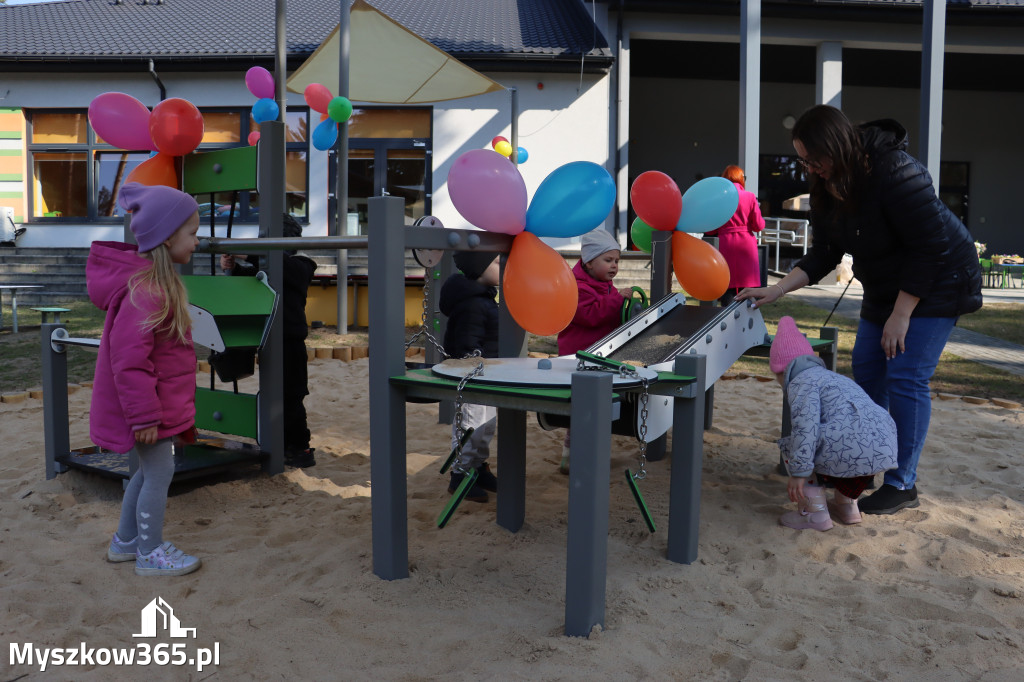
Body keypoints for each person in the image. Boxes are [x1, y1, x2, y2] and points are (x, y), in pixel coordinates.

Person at [736, 105, 982, 515]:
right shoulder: (826, 183)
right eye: (803, 160)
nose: (811, 168)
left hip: (940, 282)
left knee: (905, 374)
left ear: (837, 147)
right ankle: (861, 464)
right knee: (867, 370)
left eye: (815, 159)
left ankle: (902, 483)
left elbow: (931, 247)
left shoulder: (897, 172)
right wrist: (776, 290)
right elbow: (825, 252)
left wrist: (901, 315)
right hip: (885, 285)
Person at [90, 182, 202, 576]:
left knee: (147, 472)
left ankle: (125, 542)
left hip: (157, 406)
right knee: (159, 473)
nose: (198, 241)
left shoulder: (157, 287)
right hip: (149, 411)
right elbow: (129, 362)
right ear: (167, 236)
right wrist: (144, 418)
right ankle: (149, 552)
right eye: (192, 233)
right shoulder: (147, 293)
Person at [770, 316, 898, 530]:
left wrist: (799, 473)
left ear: (781, 371)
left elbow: (805, 429)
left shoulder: (801, 384)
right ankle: (847, 506)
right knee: (846, 439)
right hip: (882, 447)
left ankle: (815, 514)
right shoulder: (834, 378)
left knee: (794, 445)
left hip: (851, 447)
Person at [220, 214, 318, 468]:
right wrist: (232, 268)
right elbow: (251, 277)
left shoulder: (302, 265)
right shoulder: (268, 267)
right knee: (271, 393)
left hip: (291, 343)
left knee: (292, 395)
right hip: (268, 340)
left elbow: (281, 266)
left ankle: (301, 447)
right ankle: (279, 441)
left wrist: (246, 253)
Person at [556, 228, 632, 474]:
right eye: (608, 260)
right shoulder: (576, 287)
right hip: (578, 357)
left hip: (598, 356)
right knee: (581, 410)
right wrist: (618, 300)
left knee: (596, 408)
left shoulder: (604, 285)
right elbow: (590, 315)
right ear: (588, 262)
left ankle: (587, 453)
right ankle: (571, 456)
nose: (614, 266)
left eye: (617, 261)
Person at [439, 250, 501, 503]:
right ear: (479, 267)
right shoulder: (472, 303)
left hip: (489, 374)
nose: (503, 266)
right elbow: (466, 341)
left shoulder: (485, 298)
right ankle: (460, 473)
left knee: (487, 425)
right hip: (471, 376)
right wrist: (473, 360)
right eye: (497, 262)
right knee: (470, 423)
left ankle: (478, 466)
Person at [703, 165, 765, 305]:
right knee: (747, 285)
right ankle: (748, 315)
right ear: (741, 179)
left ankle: (728, 315)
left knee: (727, 283)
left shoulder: (720, 199)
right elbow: (759, 226)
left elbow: (711, 229)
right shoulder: (750, 197)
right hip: (746, 244)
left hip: (726, 243)